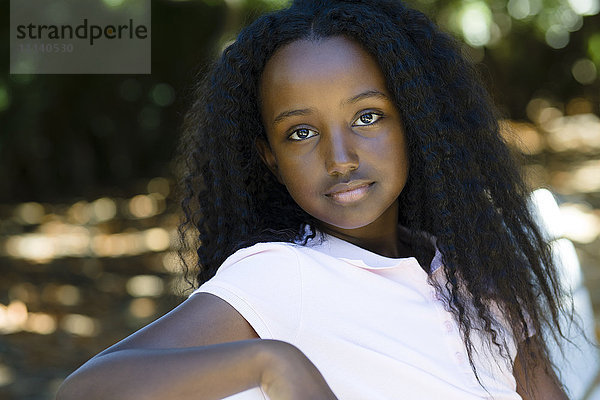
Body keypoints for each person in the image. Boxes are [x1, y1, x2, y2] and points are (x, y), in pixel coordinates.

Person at [57, 0, 574, 399]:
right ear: (269, 159)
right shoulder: (282, 276)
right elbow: (85, 390)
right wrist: (271, 362)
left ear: (412, 121)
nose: (341, 158)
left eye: (367, 117)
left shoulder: (477, 274)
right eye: (302, 132)